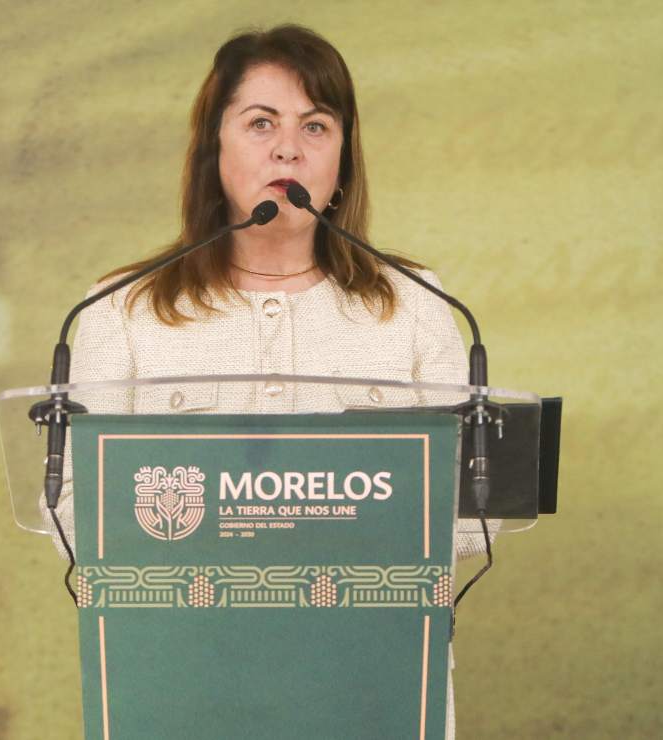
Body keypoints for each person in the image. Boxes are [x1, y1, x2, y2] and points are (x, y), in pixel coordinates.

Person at [47, 24, 497, 739]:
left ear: (343, 159)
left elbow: (480, 511)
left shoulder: (419, 304)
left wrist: (321, 544)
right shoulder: (120, 309)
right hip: (182, 670)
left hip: (369, 674)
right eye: (261, 123)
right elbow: (68, 505)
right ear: (213, 153)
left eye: (315, 126)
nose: (288, 147)